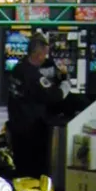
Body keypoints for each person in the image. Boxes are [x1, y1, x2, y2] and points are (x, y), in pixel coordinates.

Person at [5, 33, 69, 181]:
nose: (45, 58)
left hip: (17, 126)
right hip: (31, 130)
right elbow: (55, 95)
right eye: (44, 54)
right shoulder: (33, 75)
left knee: (21, 166)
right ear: (38, 54)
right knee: (33, 170)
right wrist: (65, 83)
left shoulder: (18, 69)